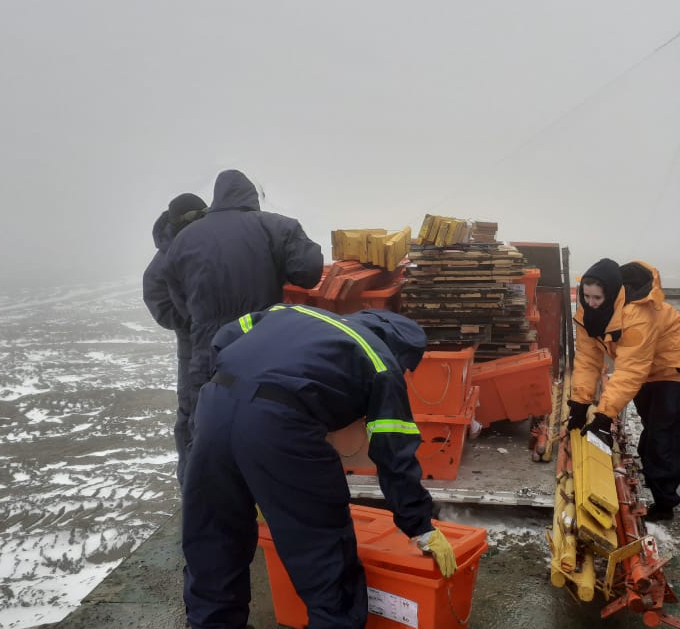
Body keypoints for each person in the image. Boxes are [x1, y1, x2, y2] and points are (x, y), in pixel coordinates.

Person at [181, 306, 456, 629]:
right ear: (402, 351)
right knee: (326, 559)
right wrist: (419, 524)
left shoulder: (291, 312)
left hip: (214, 406)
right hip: (281, 427)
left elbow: (225, 335)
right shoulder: (381, 359)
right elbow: (394, 455)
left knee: (215, 540)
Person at [162, 169, 324, 457]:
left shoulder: (183, 240)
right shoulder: (277, 227)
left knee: (207, 434)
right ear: (251, 196)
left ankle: (209, 494)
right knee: (267, 427)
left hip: (207, 353)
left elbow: (178, 298)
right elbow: (309, 272)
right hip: (261, 346)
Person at [567, 258, 680, 522]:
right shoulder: (587, 314)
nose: (591, 302)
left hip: (678, 365)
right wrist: (580, 403)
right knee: (651, 426)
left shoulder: (636, 314)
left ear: (611, 294)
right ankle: (654, 470)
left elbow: (630, 371)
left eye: (597, 297)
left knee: (665, 432)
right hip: (647, 368)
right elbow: (587, 360)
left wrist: (604, 415)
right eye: (586, 296)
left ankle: (665, 503)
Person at [142, 192, 208, 487]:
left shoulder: (207, 244)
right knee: (191, 415)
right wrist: (193, 320)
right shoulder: (165, 259)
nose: (200, 222)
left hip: (220, 342)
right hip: (192, 349)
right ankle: (191, 485)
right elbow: (160, 306)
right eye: (195, 217)